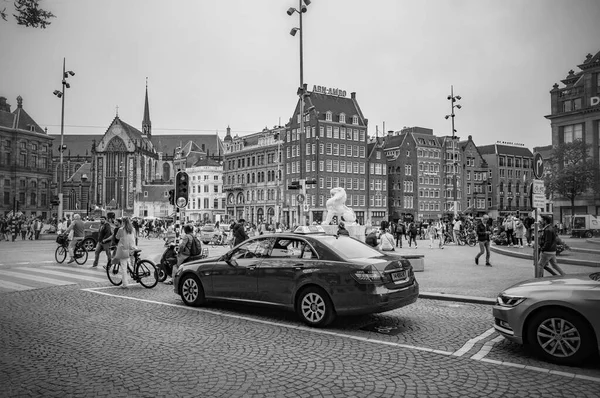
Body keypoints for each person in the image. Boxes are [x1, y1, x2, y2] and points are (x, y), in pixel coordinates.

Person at [113, 217, 136, 288]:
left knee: (123, 267)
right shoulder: (133, 229)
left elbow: (117, 237)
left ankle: (125, 284)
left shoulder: (121, 229)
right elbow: (134, 237)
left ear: (123, 222)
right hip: (132, 248)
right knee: (128, 262)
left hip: (124, 249)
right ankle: (134, 273)